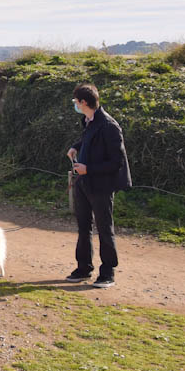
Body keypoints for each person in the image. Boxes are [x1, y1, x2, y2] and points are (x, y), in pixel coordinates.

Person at [64, 83, 131, 288]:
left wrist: (88, 169)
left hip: (101, 185)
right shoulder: (88, 120)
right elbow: (86, 140)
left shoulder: (110, 126)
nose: (75, 104)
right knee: (83, 227)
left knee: (104, 228)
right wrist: (75, 148)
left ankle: (107, 272)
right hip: (83, 183)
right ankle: (83, 268)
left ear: (84, 102)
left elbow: (116, 162)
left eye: (76, 101)